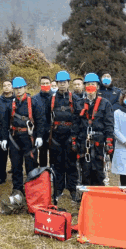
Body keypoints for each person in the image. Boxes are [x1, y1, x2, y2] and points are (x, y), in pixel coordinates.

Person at [72, 73, 114, 187]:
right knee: (84, 169)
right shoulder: (79, 104)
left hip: (99, 141)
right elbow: (75, 123)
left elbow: (109, 124)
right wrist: (74, 140)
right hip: (83, 140)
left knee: (99, 170)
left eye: (93, 84)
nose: (90, 87)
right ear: (84, 86)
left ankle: (99, 193)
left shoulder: (105, 104)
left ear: (98, 86)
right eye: (88, 84)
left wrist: (109, 141)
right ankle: (86, 194)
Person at [7, 77, 46, 195]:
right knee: (16, 164)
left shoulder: (34, 102)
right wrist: (4, 138)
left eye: (20, 88)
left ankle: (32, 189)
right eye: (16, 88)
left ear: (25, 88)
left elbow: (40, 121)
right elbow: (4, 122)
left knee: (31, 164)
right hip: (14, 138)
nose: (18, 90)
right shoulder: (11, 104)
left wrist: (39, 136)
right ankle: (17, 189)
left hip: (29, 138)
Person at [46, 71, 79, 202]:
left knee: (71, 164)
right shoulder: (51, 99)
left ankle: (72, 189)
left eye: (64, 82)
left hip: (70, 135)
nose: (62, 84)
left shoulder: (75, 98)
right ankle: (58, 189)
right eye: (60, 82)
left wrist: (75, 136)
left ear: (68, 83)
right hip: (56, 136)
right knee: (57, 164)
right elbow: (46, 117)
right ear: (56, 83)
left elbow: (78, 118)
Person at [0, 80, 14, 184]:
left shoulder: (16, 100)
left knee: (14, 156)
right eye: (4, 85)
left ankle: (15, 174)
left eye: (8, 85)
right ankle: (1, 176)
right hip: (1, 131)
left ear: (12, 87)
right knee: (1, 156)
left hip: (14, 132)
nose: (6, 87)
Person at [34, 76, 52, 168]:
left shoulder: (55, 97)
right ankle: (43, 171)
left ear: (50, 84)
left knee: (54, 154)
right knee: (42, 153)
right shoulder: (35, 99)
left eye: (47, 83)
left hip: (53, 131)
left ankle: (53, 171)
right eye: (43, 83)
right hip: (41, 131)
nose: (45, 85)